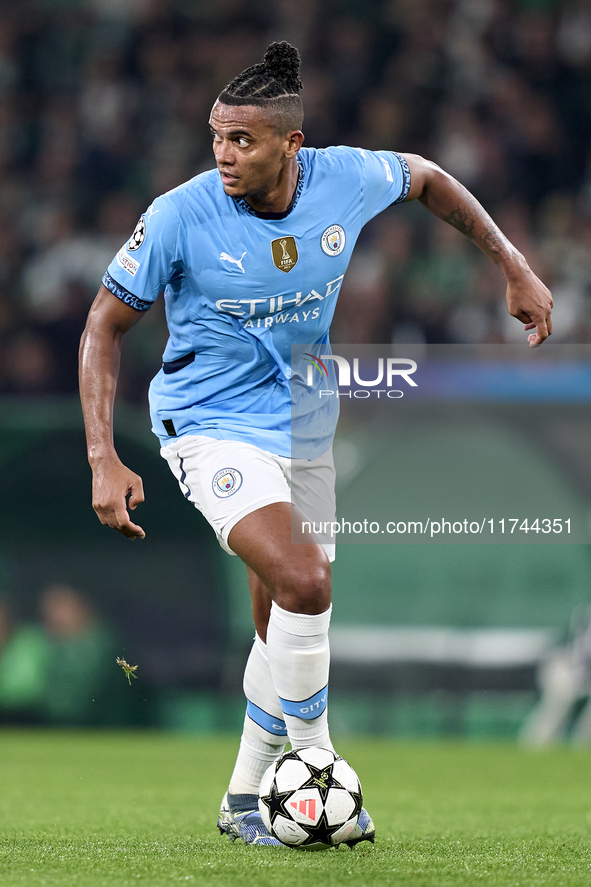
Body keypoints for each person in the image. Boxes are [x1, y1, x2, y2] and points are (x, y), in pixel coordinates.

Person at [79, 42, 553, 847]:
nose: (224, 156)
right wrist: (102, 455)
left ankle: (240, 799)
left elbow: (429, 178)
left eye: (243, 141)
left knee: (282, 620)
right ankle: (318, 764)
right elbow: (103, 326)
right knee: (305, 580)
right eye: (217, 137)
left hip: (303, 420)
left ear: (291, 145)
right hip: (207, 422)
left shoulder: (345, 177)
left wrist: (510, 264)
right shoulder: (177, 215)